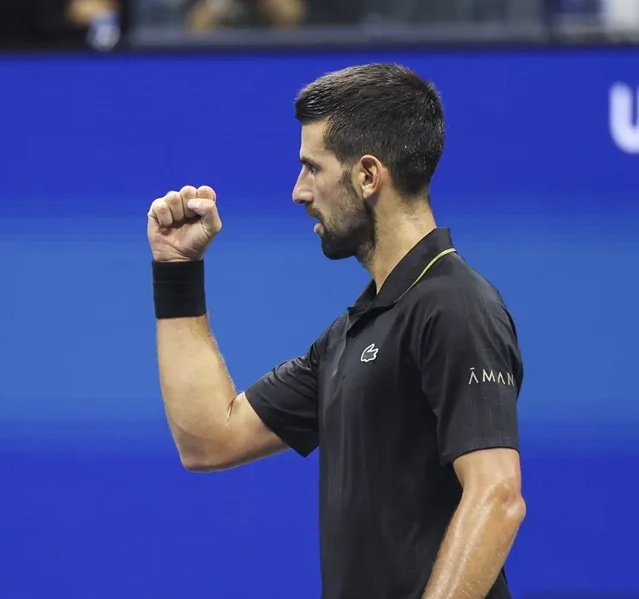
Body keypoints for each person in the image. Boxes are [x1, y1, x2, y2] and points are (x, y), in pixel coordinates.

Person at [148, 63, 526, 599]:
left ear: (368, 176)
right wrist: (176, 269)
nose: (299, 192)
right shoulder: (352, 333)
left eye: (312, 168)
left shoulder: (455, 304)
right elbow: (209, 438)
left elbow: (498, 496)